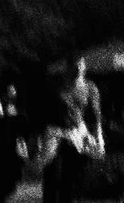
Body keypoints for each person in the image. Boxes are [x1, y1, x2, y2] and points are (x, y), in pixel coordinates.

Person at [41, 58, 103, 203]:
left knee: (71, 178)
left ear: (84, 68)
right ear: (67, 68)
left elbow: (96, 114)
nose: (78, 69)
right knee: (52, 175)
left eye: (80, 66)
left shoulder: (90, 87)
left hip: (78, 134)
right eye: (74, 66)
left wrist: (98, 135)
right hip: (56, 133)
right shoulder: (57, 86)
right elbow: (45, 111)